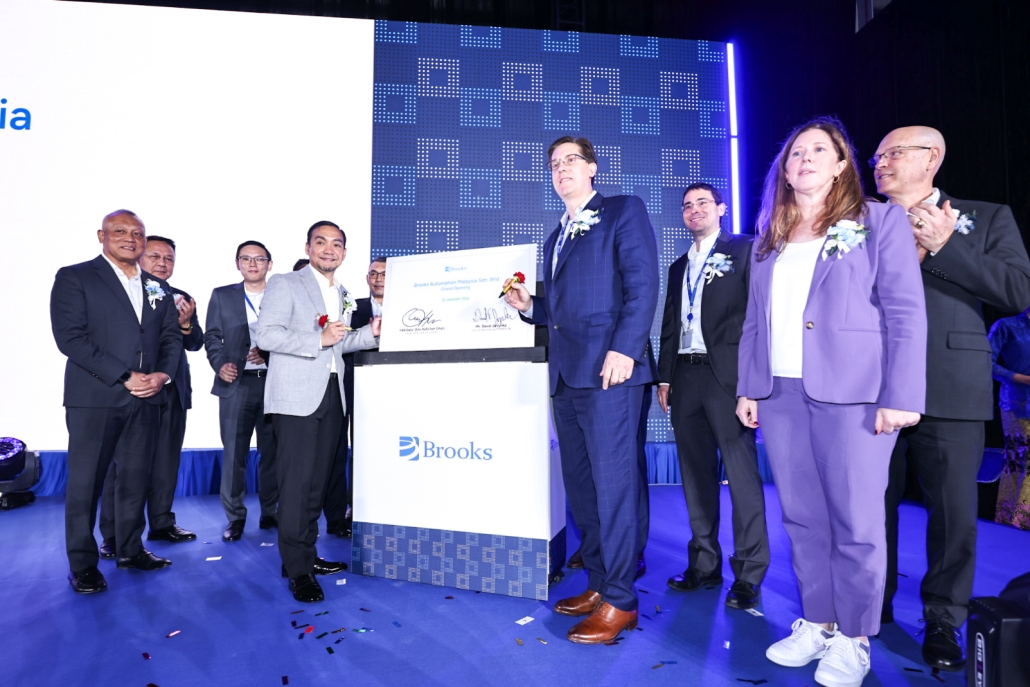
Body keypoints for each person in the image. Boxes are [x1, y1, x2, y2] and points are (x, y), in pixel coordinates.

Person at [736, 117, 926, 687]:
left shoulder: (879, 220)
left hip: (856, 396)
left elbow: (904, 310)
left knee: (856, 521)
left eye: (820, 149)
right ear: (784, 168)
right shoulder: (770, 234)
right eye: (796, 151)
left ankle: (855, 637)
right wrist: (749, 386)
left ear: (842, 165)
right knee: (801, 517)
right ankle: (818, 622)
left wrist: (901, 394)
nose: (805, 158)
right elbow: (755, 320)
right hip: (782, 393)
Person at [874, 126, 1030, 671]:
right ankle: (869, 605)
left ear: (932, 158)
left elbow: (1016, 290)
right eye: (877, 156)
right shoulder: (859, 221)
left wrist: (945, 245)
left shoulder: (986, 217)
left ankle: (944, 618)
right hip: (871, 388)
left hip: (951, 384)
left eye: (894, 153)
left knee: (954, 513)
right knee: (870, 508)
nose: (881, 162)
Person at [504, 135, 659, 644]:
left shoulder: (622, 210)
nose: (562, 169)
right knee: (583, 486)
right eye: (554, 164)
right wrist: (530, 306)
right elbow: (560, 313)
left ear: (592, 168)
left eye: (571, 160)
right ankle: (598, 582)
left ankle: (621, 600)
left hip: (611, 371)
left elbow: (642, 285)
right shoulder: (555, 237)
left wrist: (625, 349)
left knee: (614, 487)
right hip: (566, 377)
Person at [50, 210, 183, 593]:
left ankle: (130, 549)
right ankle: (82, 564)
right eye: (120, 231)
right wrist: (125, 376)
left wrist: (162, 375)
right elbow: (70, 338)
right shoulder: (75, 277)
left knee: (135, 479)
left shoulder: (157, 286)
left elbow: (171, 338)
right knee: (86, 484)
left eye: (137, 233)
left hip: (147, 398)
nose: (130, 238)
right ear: (101, 236)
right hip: (95, 399)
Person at [658, 182, 769, 610]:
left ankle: (749, 573)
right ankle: (704, 564)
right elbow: (671, 326)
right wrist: (665, 379)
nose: (694, 210)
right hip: (685, 378)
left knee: (742, 479)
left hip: (730, 380)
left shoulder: (746, 250)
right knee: (694, 476)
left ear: (722, 208)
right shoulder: (677, 267)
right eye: (687, 205)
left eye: (703, 202)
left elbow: (760, 317)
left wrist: (753, 383)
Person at [256, 221, 380, 603]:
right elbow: (266, 335)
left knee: (316, 484)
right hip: (296, 398)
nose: (329, 249)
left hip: (332, 394)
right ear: (308, 247)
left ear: (344, 252)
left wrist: (372, 332)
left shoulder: (342, 293)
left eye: (337, 244)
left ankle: (304, 555)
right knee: (297, 485)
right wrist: (318, 338)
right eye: (321, 242)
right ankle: (298, 570)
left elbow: (340, 344)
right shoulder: (285, 283)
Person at [98, 236, 202, 557]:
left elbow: (195, 342)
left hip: (172, 391)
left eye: (169, 259)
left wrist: (186, 324)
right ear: (139, 257)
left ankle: (162, 523)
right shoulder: (120, 294)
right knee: (122, 467)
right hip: (133, 390)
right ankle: (114, 535)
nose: (162, 263)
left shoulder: (181, 297)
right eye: (155, 256)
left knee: (166, 462)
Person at [205, 241, 280, 542]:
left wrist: (269, 351)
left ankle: (271, 511)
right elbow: (212, 337)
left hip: (274, 382)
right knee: (234, 453)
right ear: (237, 263)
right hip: (236, 383)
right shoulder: (222, 295)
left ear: (269, 264)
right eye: (245, 258)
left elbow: (292, 334)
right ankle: (235, 517)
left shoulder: (281, 294)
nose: (252, 263)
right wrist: (219, 364)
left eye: (259, 258)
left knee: (273, 452)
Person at [325, 256, 387, 539]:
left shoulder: (408, 309)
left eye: (384, 274)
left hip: (393, 390)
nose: (377, 278)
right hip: (351, 386)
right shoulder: (352, 306)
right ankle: (347, 508)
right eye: (373, 273)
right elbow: (341, 343)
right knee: (344, 450)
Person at [989, 310, 1030, 530]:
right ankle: (1018, 521)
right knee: (1020, 461)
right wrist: (1019, 378)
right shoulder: (1008, 325)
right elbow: (985, 362)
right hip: (1018, 404)